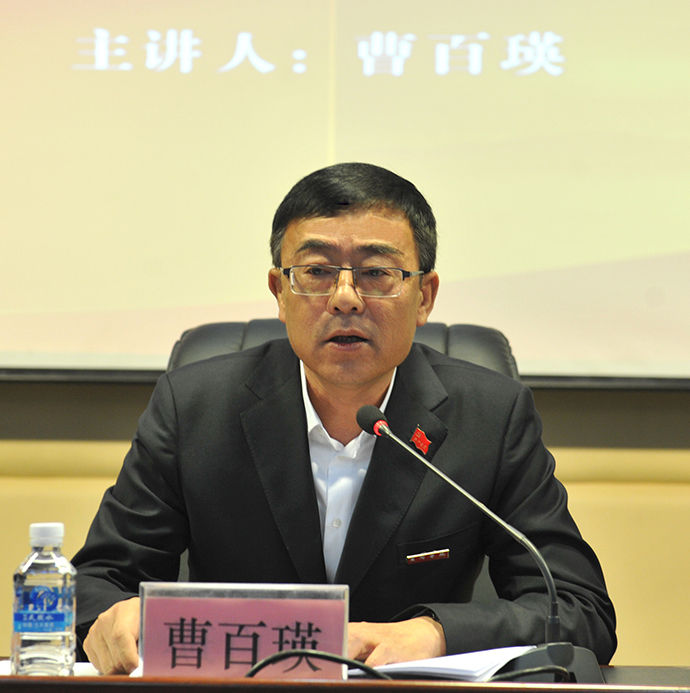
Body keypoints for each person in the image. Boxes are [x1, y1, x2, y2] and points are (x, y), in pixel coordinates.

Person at [72, 162, 617, 675]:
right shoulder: (194, 408)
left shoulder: (490, 417)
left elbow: (579, 609)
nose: (345, 298)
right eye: (316, 272)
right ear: (279, 292)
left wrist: (437, 633)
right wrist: (117, 617)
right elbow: (95, 585)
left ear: (424, 297)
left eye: (377, 273)